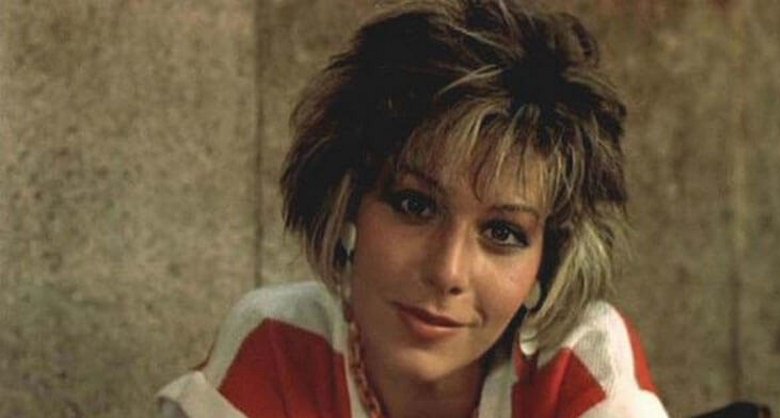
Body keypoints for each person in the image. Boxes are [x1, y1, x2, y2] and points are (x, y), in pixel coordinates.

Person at [158, 1, 670, 417]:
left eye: (503, 232)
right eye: (415, 205)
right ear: (348, 203)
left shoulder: (578, 360)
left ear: (546, 263)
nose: (447, 271)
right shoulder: (279, 345)